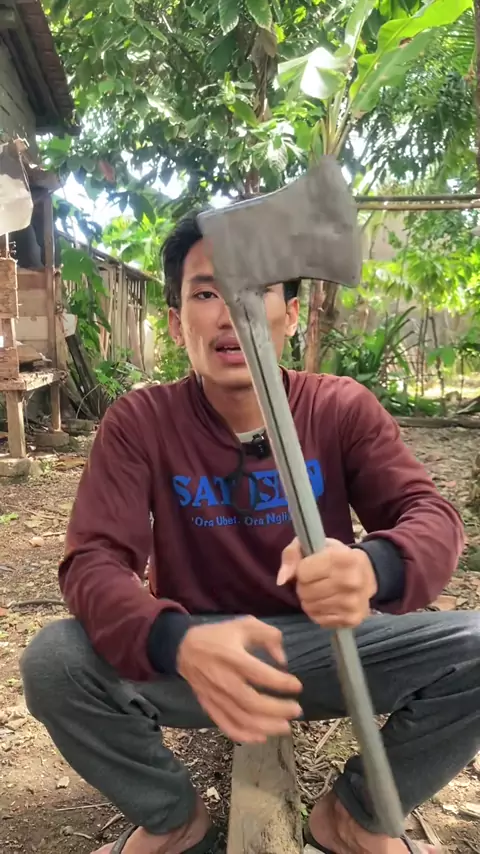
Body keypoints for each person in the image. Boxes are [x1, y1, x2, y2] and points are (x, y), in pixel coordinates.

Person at [20, 210, 478, 854]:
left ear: (289, 315)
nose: (231, 312)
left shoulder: (339, 408)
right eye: (207, 292)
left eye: (255, 289)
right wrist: (174, 639)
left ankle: (356, 817)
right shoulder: (140, 422)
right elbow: (93, 561)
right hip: (197, 654)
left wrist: (373, 566)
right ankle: (174, 822)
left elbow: (431, 517)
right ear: (177, 322)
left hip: (325, 649)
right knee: (55, 662)